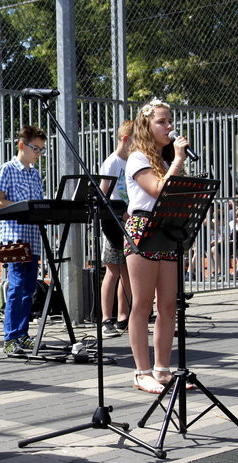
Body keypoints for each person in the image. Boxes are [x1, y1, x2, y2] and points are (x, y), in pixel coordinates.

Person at [124, 99, 192, 394]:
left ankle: (162, 369)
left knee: (168, 305)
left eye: (170, 121)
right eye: (162, 122)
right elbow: (157, 190)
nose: (169, 127)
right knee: (142, 304)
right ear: (147, 125)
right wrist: (178, 160)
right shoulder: (137, 157)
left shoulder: (164, 161)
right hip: (142, 229)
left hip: (167, 229)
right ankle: (141, 372)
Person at [0, 125, 46, 356]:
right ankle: (10, 337)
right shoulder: (7, 169)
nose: (38, 153)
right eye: (36, 148)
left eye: (41, 150)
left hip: (32, 238)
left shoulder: (35, 174)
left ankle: (22, 334)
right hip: (13, 237)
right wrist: (22, 208)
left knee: (29, 288)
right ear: (22, 145)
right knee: (16, 285)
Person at [98, 120, 134, 339]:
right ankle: (106, 319)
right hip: (113, 222)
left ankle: (124, 316)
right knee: (113, 270)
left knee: (127, 271)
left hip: (128, 221)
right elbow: (104, 194)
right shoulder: (112, 162)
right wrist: (118, 212)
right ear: (125, 139)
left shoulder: (132, 162)